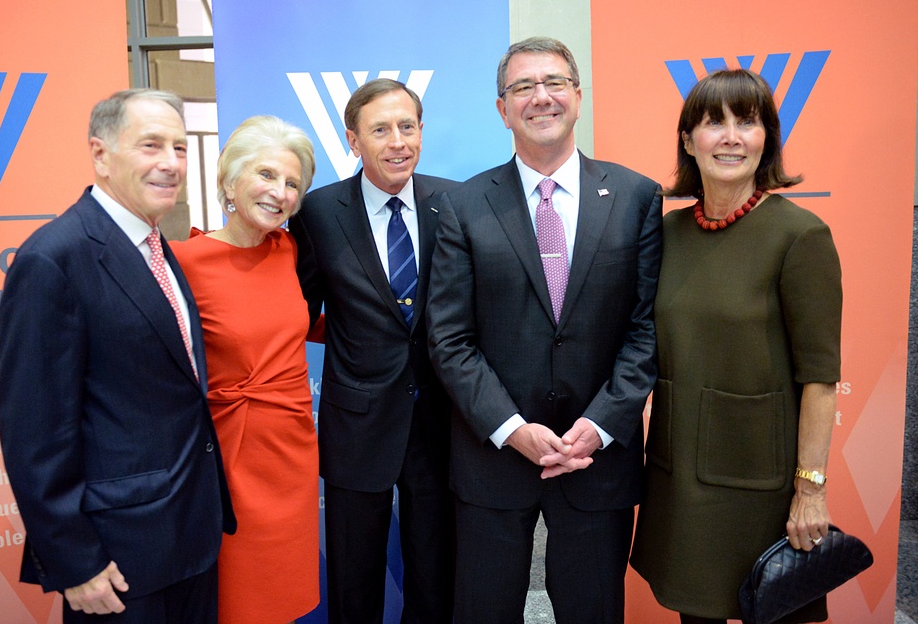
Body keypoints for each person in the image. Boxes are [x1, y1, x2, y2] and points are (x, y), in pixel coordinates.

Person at [426, 37, 662, 623]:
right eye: (523, 87)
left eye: (554, 82)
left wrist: (601, 425)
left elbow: (646, 329)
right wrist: (510, 429)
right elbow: (449, 339)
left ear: (578, 97)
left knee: (593, 611)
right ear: (502, 108)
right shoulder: (463, 205)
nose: (541, 97)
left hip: (596, 459)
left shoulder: (636, 198)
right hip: (493, 457)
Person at [0, 88, 236, 623]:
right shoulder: (53, 259)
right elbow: (34, 432)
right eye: (151, 145)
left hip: (189, 537)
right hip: (116, 558)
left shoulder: (154, 245)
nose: (171, 163)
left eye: (179, 147)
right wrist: (74, 561)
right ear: (100, 155)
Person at [630, 68, 842, 624]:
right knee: (694, 614)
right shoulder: (667, 234)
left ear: (766, 138)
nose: (730, 137)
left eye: (747, 123)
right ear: (687, 141)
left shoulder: (800, 236)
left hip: (762, 488)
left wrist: (810, 490)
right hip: (681, 479)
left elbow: (820, 377)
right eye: (713, 123)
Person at [288, 78, 456, 623]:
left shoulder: (455, 203)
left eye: (407, 127)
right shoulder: (316, 213)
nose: (397, 141)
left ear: (422, 133)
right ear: (353, 141)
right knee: (353, 580)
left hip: (441, 423)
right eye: (380, 130)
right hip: (356, 424)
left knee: (436, 577)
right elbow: (294, 310)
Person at [170, 115, 319, 623]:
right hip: (228, 459)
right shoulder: (184, 262)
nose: (280, 193)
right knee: (236, 600)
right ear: (230, 181)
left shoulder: (287, 250)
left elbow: (304, 323)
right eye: (266, 175)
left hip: (291, 453)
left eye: (293, 183)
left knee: (284, 597)